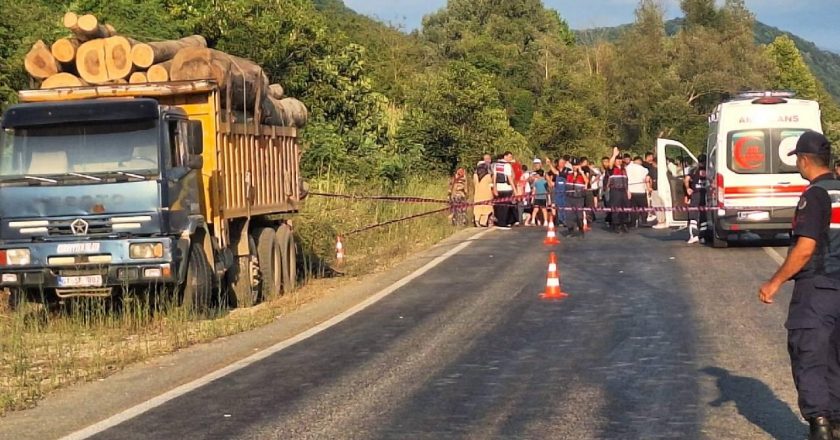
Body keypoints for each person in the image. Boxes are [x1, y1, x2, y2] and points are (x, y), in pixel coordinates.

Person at [758, 131, 840, 440]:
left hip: (818, 291)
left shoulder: (815, 195)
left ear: (804, 160)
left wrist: (774, 282)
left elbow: (805, 248)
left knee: (810, 356)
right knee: (835, 358)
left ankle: (820, 425)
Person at [685, 154, 709, 244]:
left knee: (695, 216)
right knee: (701, 217)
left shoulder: (694, 170)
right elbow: (686, 180)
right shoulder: (709, 169)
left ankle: (696, 236)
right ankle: (701, 237)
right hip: (703, 194)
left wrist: (688, 188)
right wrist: (688, 189)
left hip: (699, 195)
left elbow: (686, 180)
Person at [607, 147, 631, 233]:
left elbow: (626, 181)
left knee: (625, 208)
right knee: (616, 208)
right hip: (615, 191)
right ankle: (616, 225)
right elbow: (610, 164)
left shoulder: (624, 169)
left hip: (623, 191)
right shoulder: (612, 169)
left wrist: (628, 191)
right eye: (618, 159)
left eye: (620, 159)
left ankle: (624, 224)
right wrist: (614, 155)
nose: (619, 161)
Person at [492, 152, 517, 228]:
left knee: (500, 205)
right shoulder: (507, 165)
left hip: (499, 187)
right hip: (507, 188)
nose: (510, 158)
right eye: (509, 157)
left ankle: (500, 222)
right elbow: (509, 178)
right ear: (505, 156)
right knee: (506, 206)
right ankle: (504, 222)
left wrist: (494, 188)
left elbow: (494, 177)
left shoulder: (497, 164)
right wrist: (514, 190)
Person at [565, 157, 588, 237]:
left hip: (579, 197)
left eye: (576, 165)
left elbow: (587, 182)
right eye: (573, 165)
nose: (575, 167)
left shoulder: (582, 174)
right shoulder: (569, 174)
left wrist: (581, 172)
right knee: (569, 215)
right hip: (569, 197)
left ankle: (581, 228)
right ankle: (570, 230)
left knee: (579, 215)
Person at [626, 156, 651, 228]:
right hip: (641, 190)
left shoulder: (627, 168)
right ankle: (643, 221)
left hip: (631, 190)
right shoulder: (644, 169)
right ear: (640, 161)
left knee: (633, 208)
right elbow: (646, 179)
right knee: (643, 207)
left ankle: (633, 222)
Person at [547, 155, 570, 227]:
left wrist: (549, 164)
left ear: (565, 163)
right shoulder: (555, 169)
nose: (561, 164)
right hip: (557, 191)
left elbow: (556, 172)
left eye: (562, 162)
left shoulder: (568, 170)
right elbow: (548, 174)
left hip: (565, 190)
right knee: (559, 206)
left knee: (565, 206)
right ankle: (560, 220)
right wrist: (550, 182)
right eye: (560, 162)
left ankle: (566, 220)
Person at [473, 162, 494, 227]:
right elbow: (491, 184)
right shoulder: (488, 176)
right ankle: (483, 222)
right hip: (487, 194)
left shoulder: (475, 176)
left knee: (477, 207)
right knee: (486, 208)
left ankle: (477, 220)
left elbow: (474, 184)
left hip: (477, 194)